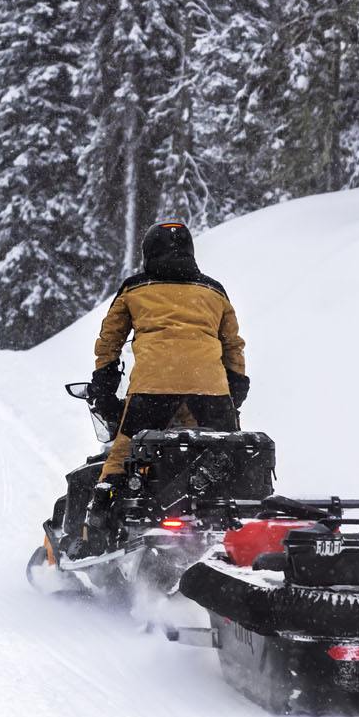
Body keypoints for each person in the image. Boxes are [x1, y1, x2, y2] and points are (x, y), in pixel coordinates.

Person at [80, 222, 249, 547]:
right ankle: (230, 533)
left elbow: (109, 341)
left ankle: (95, 530)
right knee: (227, 454)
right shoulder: (214, 291)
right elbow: (233, 346)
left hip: (154, 386)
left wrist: (104, 382)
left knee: (124, 451)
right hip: (210, 389)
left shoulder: (134, 288)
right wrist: (235, 388)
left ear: (148, 253)